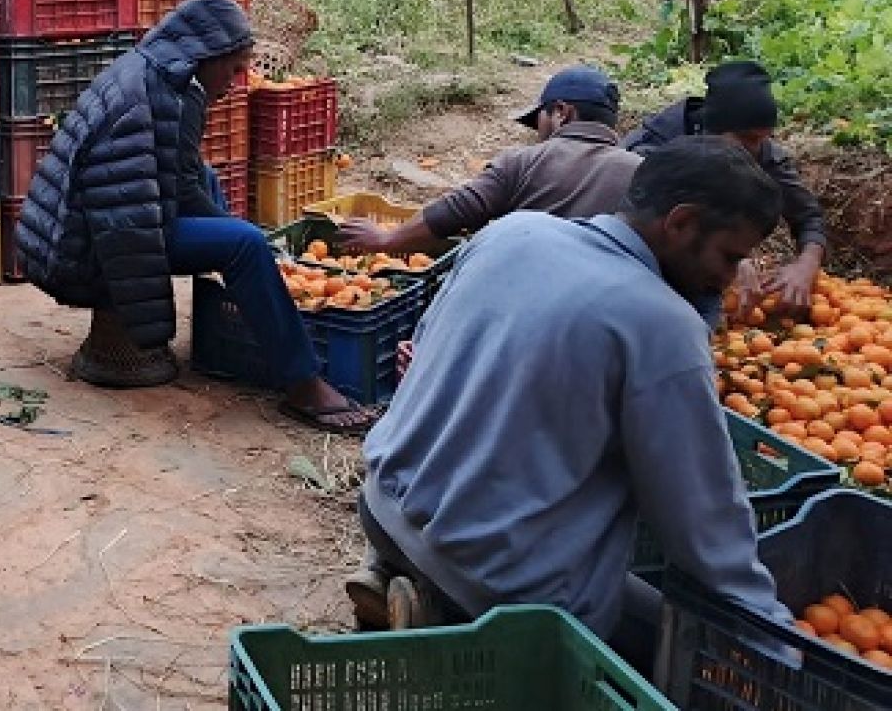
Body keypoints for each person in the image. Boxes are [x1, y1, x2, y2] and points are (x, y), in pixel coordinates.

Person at [353, 138, 791, 669]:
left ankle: (415, 595)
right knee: (683, 648)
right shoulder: (662, 325)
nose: (728, 279)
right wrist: (781, 648)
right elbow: (704, 527)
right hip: (490, 581)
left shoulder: (511, 233)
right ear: (680, 223)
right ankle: (455, 627)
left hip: (382, 510)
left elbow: (419, 352)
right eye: (730, 257)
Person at [15, 0, 377, 433]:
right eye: (235, 67)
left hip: (76, 226)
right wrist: (243, 241)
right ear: (205, 56)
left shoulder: (156, 76)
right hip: (80, 247)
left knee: (210, 186)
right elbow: (128, 221)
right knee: (244, 245)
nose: (237, 80)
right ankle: (303, 385)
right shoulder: (159, 97)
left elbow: (180, 179)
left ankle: (240, 296)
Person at [337, 65, 642, 258]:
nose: (538, 133)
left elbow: (455, 211)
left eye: (539, 120)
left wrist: (387, 239)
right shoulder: (644, 172)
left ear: (561, 112)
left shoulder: (524, 162)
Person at [625, 59, 827, 312]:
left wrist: (806, 265)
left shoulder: (761, 152)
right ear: (712, 130)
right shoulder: (648, 154)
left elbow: (808, 216)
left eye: (763, 139)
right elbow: (635, 225)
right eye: (747, 138)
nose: (754, 149)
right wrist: (727, 259)